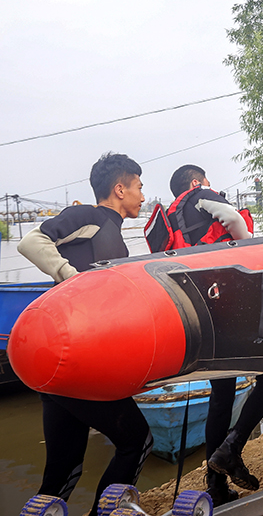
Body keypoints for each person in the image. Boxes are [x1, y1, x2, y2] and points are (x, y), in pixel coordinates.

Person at [17, 153, 152, 516]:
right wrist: (74, 280)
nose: (143, 195)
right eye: (139, 187)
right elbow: (31, 242)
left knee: (63, 475)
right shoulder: (90, 217)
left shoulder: (115, 240)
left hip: (60, 367)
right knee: (137, 440)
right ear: (119, 189)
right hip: (80, 362)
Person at [163, 165, 263, 507]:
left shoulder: (170, 216)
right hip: (225, 300)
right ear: (196, 183)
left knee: (222, 392)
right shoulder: (201, 195)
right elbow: (231, 218)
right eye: (206, 181)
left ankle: (214, 484)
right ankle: (232, 447)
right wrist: (250, 255)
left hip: (198, 312)